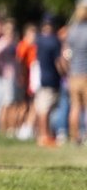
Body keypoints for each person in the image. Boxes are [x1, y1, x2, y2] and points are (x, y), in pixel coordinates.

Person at [33, 13, 64, 146]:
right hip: (51, 78)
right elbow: (59, 62)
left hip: (39, 77)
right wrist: (65, 73)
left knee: (42, 109)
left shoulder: (39, 39)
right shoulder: (54, 41)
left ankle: (43, 135)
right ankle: (45, 136)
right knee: (46, 109)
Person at [64, 0, 87, 146]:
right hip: (85, 73)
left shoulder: (71, 30)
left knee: (75, 107)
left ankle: (74, 137)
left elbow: (66, 54)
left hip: (73, 74)